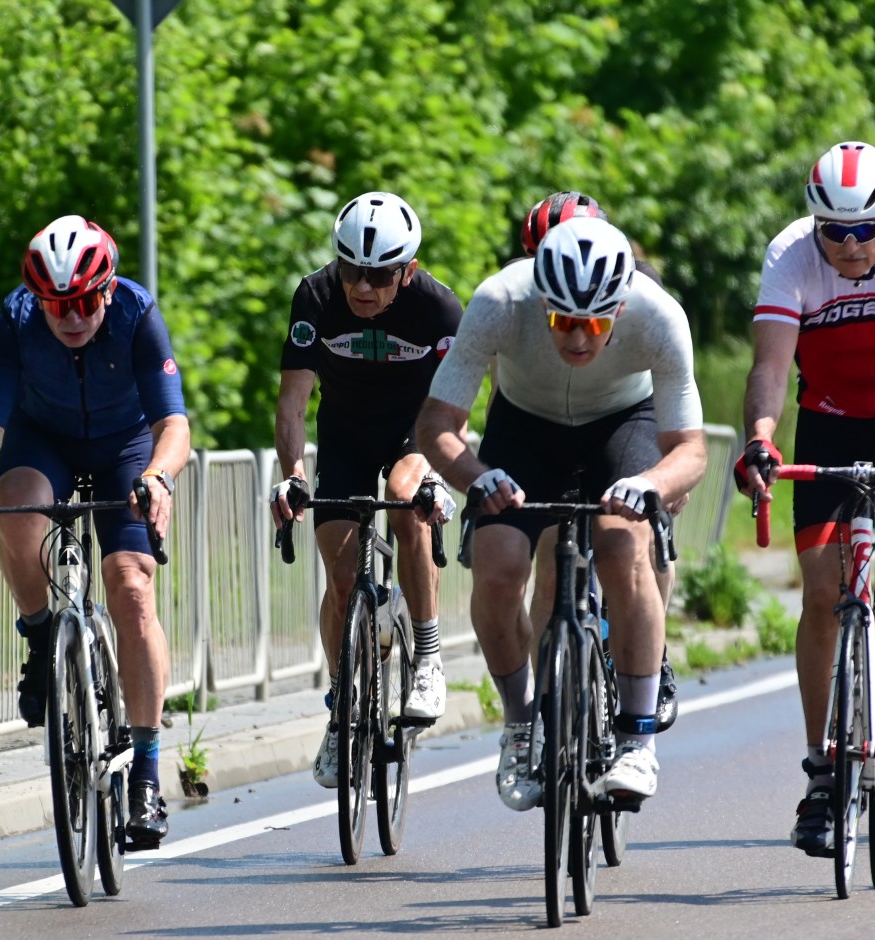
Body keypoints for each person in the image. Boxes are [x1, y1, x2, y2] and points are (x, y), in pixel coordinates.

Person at [416, 216, 708, 809]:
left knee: (624, 545)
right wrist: (476, 477)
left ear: (620, 308)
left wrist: (650, 483)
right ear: (542, 301)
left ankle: (637, 741)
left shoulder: (658, 315)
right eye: (562, 321)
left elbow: (690, 449)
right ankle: (521, 726)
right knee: (498, 565)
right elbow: (436, 425)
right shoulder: (500, 301)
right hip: (525, 428)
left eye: (594, 324)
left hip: (621, 425)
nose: (577, 339)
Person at [733, 141, 875, 858]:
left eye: (866, 229)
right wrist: (760, 439)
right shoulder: (790, 256)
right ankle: (820, 772)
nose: (852, 244)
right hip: (829, 416)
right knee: (820, 594)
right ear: (816, 225)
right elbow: (771, 367)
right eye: (836, 231)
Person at [0, 215, 189, 849]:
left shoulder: (136, 313)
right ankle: (42, 634)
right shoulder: (15, 321)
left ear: (106, 290)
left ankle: (147, 773)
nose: (71, 317)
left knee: (131, 587)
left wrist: (157, 478)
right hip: (42, 439)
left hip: (124, 447)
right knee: (16, 510)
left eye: (83, 302)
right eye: (56, 305)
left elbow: (173, 424)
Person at [272, 192, 462, 788]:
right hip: (345, 436)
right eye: (351, 269)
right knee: (341, 578)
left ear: (407, 270)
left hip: (414, 431)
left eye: (379, 276)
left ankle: (428, 656)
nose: (362, 286)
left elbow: (455, 407)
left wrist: (439, 475)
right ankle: (341, 710)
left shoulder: (439, 309)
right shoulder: (316, 296)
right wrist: (293, 475)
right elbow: (292, 403)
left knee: (408, 505)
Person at [517, 193, 682, 733]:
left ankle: (654, 654)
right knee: (549, 568)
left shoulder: (641, 287)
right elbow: (505, 392)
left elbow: (674, 387)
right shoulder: (521, 301)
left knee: (645, 541)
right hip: (551, 427)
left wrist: (666, 475)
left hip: (629, 419)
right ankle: (547, 711)